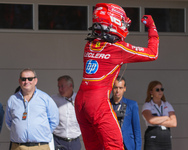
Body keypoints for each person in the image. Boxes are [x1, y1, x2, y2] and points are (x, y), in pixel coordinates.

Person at [75, 3, 159, 150]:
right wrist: (152, 27)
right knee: (114, 145)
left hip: (80, 102)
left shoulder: (89, 45)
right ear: (114, 22)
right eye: (122, 22)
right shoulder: (118, 48)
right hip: (98, 102)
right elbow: (153, 54)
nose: (125, 26)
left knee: (93, 147)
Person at [5, 68, 59, 150]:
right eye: (23, 79)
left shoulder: (45, 98)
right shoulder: (12, 100)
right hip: (18, 147)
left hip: (40, 146)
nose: (26, 82)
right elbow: (9, 122)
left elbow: (54, 121)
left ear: (35, 81)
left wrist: (41, 133)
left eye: (30, 79)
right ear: (19, 81)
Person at [142, 80, 177, 150]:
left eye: (162, 89)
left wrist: (157, 120)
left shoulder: (167, 104)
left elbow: (174, 123)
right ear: (151, 92)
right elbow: (151, 120)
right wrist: (166, 117)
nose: (160, 91)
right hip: (152, 138)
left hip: (165, 137)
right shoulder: (147, 105)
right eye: (157, 90)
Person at [110, 76, 142, 150]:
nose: (118, 91)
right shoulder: (106, 104)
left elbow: (137, 130)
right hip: (111, 144)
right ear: (112, 88)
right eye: (115, 87)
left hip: (128, 145)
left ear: (124, 89)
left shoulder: (132, 104)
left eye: (120, 88)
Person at [51, 75, 81, 150]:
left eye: (62, 86)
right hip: (58, 140)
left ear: (70, 85)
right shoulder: (53, 99)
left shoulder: (79, 99)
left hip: (75, 141)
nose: (60, 89)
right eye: (58, 87)